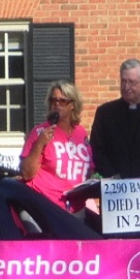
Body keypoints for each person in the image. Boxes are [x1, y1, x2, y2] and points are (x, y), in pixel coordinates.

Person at [20, 80, 93, 213]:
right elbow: (26, 173)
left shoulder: (81, 133)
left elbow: (88, 170)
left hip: (75, 209)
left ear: (72, 105)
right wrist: (40, 143)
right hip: (45, 206)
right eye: (53, 100)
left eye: (62, 101)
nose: (57, 104)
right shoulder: (39, 132)